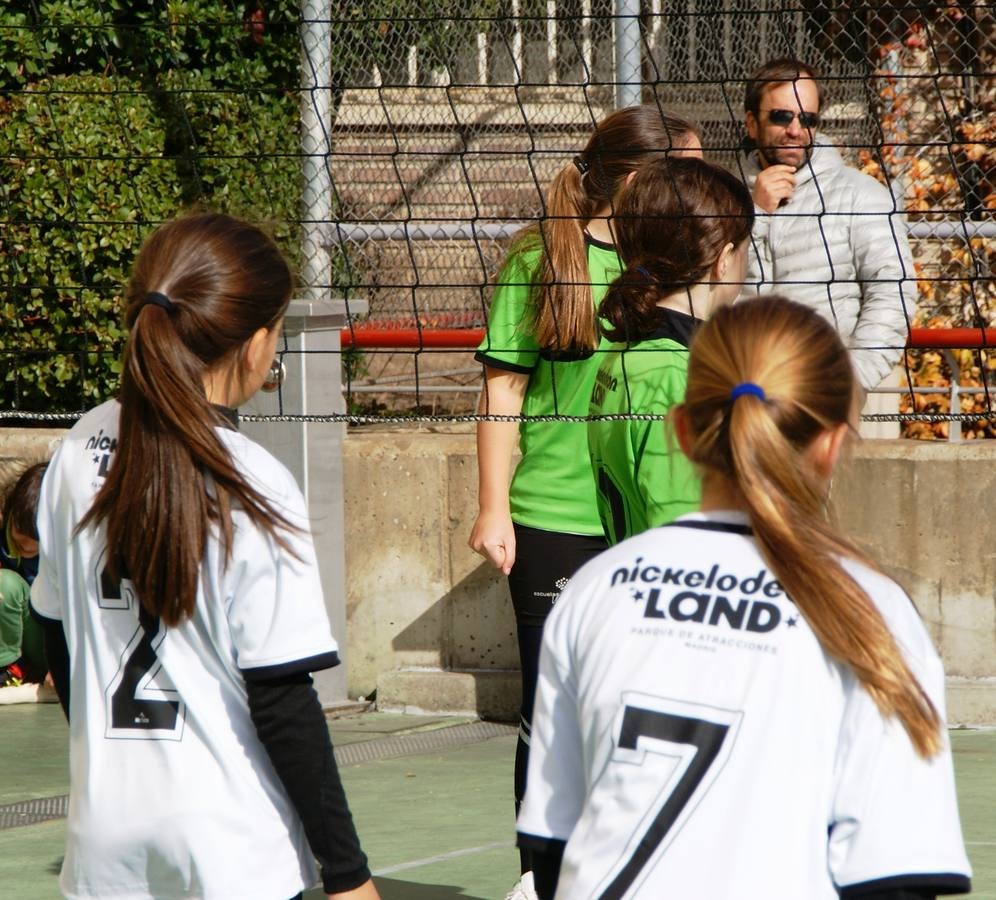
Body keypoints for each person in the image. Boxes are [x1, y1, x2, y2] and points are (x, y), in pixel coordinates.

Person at [517, 296, 972, 899]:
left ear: (682, 430)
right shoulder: (870, 610)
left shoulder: (594, 592)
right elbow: (895, 880)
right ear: (833, 444)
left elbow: (552, 850)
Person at [30, 213, 380, 900]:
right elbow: (283, 700)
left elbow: (56, 635)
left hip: (105, 847)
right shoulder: (255, 482)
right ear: (256, 347)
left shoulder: (77, 448)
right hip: (232, 852)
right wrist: (348, 875)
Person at [467, 104, 702, 900]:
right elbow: (504, 388)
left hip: (644, 517)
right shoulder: (542, 259)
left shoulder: (670, 268)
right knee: (551, 709)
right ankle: (540, 877)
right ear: (634, 179)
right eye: (680, 174)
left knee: (639, 704)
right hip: (556, 518)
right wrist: (493, 506)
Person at [589, 156, 754, 544]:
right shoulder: (677, 375)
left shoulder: (626, 351)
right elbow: (684, 534)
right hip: (677, 578)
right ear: (724, 260)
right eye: (747, 250)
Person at [739, 57, 916, 395]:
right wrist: (755, 215)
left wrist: (849, 384)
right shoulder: (724, 197)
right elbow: (710, 294)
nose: (796, 130)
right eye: (781, 116)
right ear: (751, 123)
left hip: (828, 399)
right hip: (743, 397)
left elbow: (893, 294)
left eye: (808, 119)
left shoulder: (861, 195)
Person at [0, 461, 48, 689]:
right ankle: (7, 666)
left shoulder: (70, 552)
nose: (25, 543)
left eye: (35, 536)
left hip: (50, 640)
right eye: (18, 527)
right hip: (14, 640)